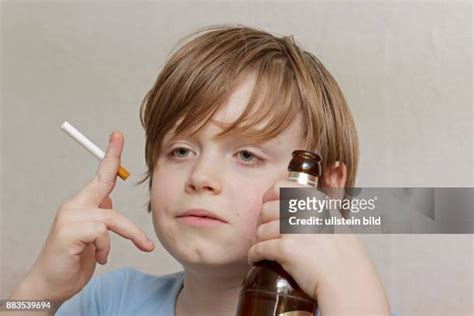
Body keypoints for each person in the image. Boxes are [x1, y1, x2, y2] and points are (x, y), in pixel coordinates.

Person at [6, 25, 391, 316]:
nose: (200, 176)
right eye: (181, 150)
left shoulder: (352, 304)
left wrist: (353, 291)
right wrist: (39, 291)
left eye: (246, 155)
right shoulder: (112, 302)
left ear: (322, 191)